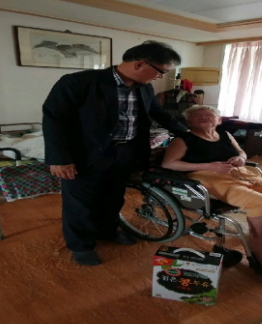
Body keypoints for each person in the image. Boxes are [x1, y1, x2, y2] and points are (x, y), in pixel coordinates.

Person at [43, 41, 189, 266]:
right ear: (139, 64)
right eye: (161, 71)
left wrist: (189, 135)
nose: (160, 77)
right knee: (81, 203)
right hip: (86, 154)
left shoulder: (144, 88)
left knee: (113, 197)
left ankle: (108, 231)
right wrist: (60, 159)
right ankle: (81, 245)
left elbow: (159, 114)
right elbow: (55, 120)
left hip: (125, 153)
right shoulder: (79, 82)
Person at [161, 105, 262, 273]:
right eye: (197, 115)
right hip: (209, 178)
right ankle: (256, 242)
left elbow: (241, 153)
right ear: (189, 122)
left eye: (209, 114)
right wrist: (209, 166)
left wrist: (240, 159)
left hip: (241, 174)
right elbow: (168, 163)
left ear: (218, 120)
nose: (204, 117)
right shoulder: (183, 140)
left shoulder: (225, 134)